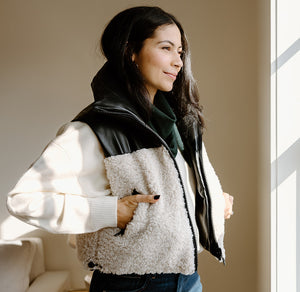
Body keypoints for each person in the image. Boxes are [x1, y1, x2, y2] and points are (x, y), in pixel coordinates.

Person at [7, 6, 233, 292]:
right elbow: (22, 200)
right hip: (132, 285)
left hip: (187, 279)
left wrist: (209, 202)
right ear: (130, 52)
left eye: (180, 51)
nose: (178, 61)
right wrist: (111, 211)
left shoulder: (178, 124)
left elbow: (168, 195)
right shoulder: (92, 129)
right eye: (166, 48)